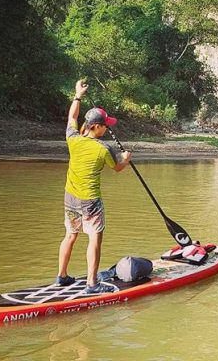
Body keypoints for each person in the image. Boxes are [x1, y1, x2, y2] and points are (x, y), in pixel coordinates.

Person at [55, 79, 132, 294]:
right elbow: (117, 168)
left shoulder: (73, 138)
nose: (107, 128)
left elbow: (72, 117)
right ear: (95, 127)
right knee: (95, 238)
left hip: (70, 198)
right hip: (90, 202)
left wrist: (77, 95)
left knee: (70, 235)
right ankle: (92, 284)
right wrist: (126, 158)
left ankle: (62, 276)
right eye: (105, 125)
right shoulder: (103, 149)